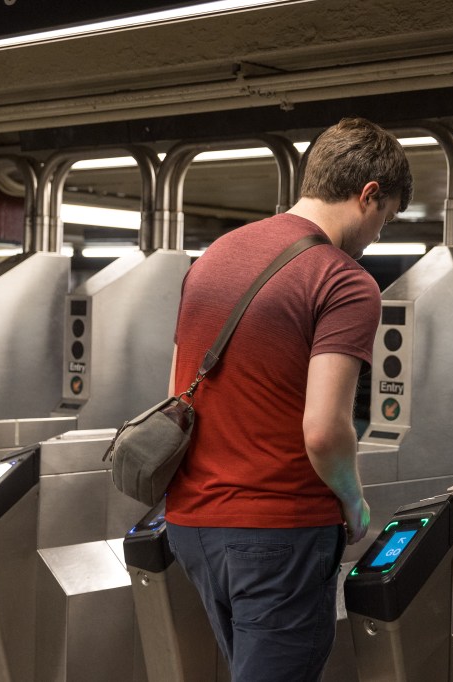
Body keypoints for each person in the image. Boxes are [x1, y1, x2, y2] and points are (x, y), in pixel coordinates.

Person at [164, 117, 413, 681]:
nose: (378, 236)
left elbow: (177, 396)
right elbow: (324, 430)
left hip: (192, 524)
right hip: (277, 531)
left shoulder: (214, 257)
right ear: (367, 194)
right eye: (386, 219)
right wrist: (353, 502)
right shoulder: (343, 281)